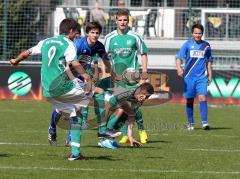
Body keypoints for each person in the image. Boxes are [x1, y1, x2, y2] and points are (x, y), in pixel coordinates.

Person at [9, 18, 92, 160]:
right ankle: (108, 123)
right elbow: (74, 62)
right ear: (71, 31)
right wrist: (87, 77)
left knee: (75, 113)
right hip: (62, 86)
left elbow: (26, 53)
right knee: (92, 93)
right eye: (76, 32)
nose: (76, 35)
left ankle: (75, 153)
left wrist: (15, 61)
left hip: (47, 89)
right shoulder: (68, 43)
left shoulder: (45, 42)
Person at [47, 21, 114, 145]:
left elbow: (106, 61)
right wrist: (71, 77)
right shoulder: (77, 45)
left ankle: (73, 137)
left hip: (84, 79)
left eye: (97, 33)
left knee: (82, 106)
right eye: (92, 32)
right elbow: (65, 62)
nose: (95, 35)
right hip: (68, 78)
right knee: (64, 109)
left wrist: (108, 73)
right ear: (87, 33)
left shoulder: (99, 46)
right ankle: (53, 127)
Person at [104, 9, 149, 144]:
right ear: (116, 20)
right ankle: (123, 133)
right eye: (120, 20)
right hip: (117, 78)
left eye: (125, 20)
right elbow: (103, 57)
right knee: (123, 106)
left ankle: (139, 130)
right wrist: (106, 72)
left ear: (128, 21)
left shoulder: (135, 37)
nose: (123, 22)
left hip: (133, 76)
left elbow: (144, 53)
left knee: (133, 106)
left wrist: (145, 71)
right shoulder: (109, 38)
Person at [176, 24, 213, 130]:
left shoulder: (206, 45)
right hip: (188, 77)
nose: (197, 35)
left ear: (202, 34)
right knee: (190, 100)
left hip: (201, 77)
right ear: (192, 33)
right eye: (196, 33)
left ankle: (204, 123)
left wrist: (210, 74)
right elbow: (178, 58)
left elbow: (209, 61)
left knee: (202, 97)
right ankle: (191, 124)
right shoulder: (187, 44)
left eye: (199, 33)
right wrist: (179, 68)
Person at [98, 82, 154, 148]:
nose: (144, 97)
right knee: (120, 111)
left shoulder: (139, 99)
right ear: (139, 90)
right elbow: (108, 106)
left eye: (147, 96)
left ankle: (109, 140)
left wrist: (130, 137)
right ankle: (106, 140)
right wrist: (103, 127)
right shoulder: (127, 91)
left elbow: (131, 117)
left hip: (115, 102)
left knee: (124, 115)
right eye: (144, 94)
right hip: (105, 98)